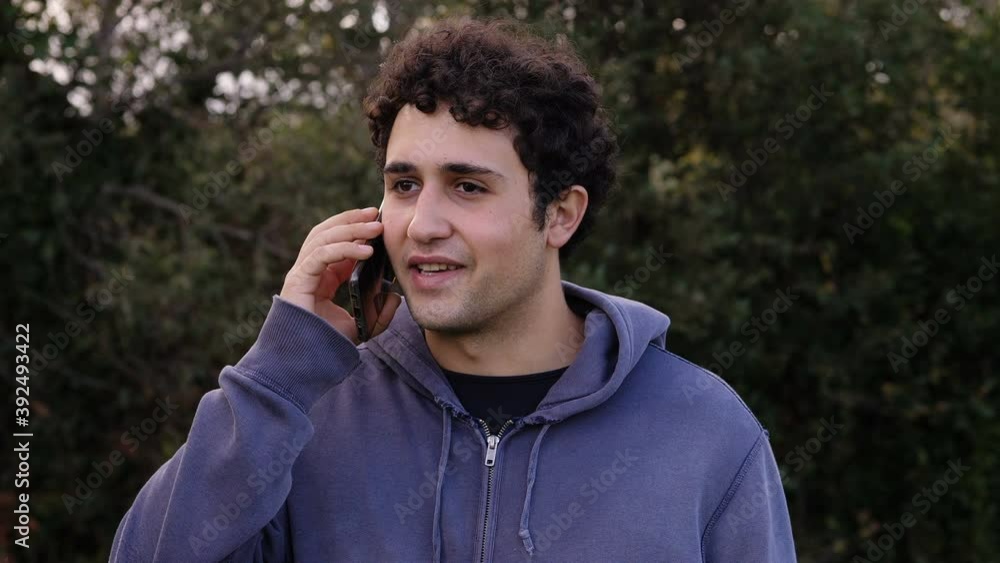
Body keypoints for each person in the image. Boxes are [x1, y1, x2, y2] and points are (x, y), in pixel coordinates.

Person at [110, 15, 796, 563]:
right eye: (404, 184)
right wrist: (282, 368)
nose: (422, 224)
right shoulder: (302, 417)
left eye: (468, 186)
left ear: (561, 213)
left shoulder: (704, 430)